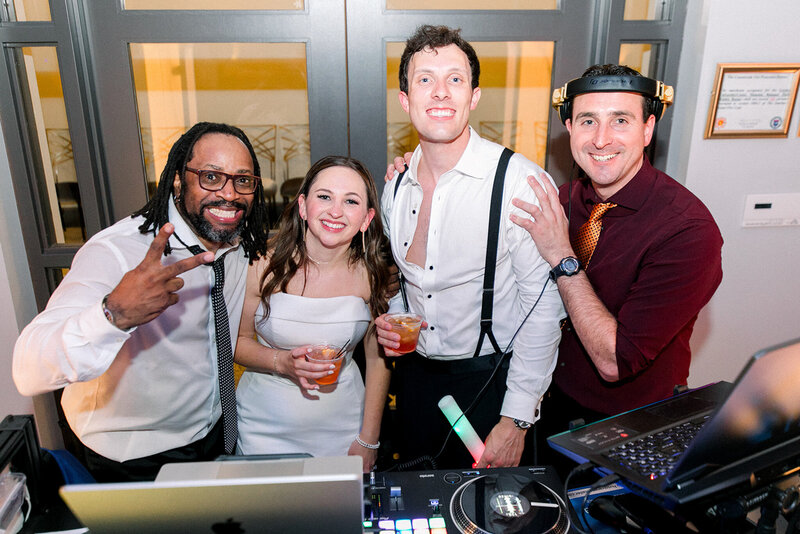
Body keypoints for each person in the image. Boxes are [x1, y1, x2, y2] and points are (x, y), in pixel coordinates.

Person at [12, 122, 270, 482]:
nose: (229, 194)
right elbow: (27, 370)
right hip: (131, 454)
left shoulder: (237, 244)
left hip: (214, 433)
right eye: (211, 177)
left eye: (242, 180)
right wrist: (112, 315)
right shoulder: (118, 252)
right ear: (178, 179)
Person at [510, 64, 723, 471]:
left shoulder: (688, 230)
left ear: (647, 129)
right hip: (548, 405)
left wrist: (562, 258)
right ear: (570, 128)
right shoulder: (565, 199)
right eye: (588, 121)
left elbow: (614, 361)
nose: (601, 139)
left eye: (620, 120)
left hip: (633, 425)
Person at [376, 25, 564, 469]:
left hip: (492, 387)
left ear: (474, 96)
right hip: (417, 383)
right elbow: (404, 282)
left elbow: (543, 311)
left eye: (455, 79)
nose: (440, 93)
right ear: (405, 99)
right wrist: (393, 318)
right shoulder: (396, 186)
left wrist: (516, 419)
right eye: (425, 79)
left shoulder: (521, 183)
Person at [234, 156, 393, 473]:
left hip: (343, 429)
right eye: (325, 197)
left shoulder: (373, 275)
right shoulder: (259, 266)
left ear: (366, 218)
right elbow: (235, 343)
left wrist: (369, 439)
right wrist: (281, 362)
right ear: (303, 207)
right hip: (262, 428)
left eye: (351, 201)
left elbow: (377, 360)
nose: (336, 211)